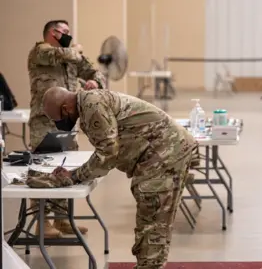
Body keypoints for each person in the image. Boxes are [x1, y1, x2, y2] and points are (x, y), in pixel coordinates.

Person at [43, 87, 198, 269]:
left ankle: (150, 266)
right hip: (160, 153)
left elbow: (108, 152)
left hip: (164, 154)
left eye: (57, 120)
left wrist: (76, 175)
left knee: (153, 222)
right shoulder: (88, 102)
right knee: (152, 221)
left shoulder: (92, 105)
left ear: (65, 109)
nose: (58, 125)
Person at [27, 20, 106, 238]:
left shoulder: (71, 53)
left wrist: (94, 83)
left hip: (67, 120)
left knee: (66, 168)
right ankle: (42, 223)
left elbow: (93, 71)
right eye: (64, 32)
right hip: (43, 122)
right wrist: (75, 50)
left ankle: (62, 219)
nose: (68, 35)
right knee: (42, 169)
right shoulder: (40, 52)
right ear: (52, 33)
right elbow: (67, 55)